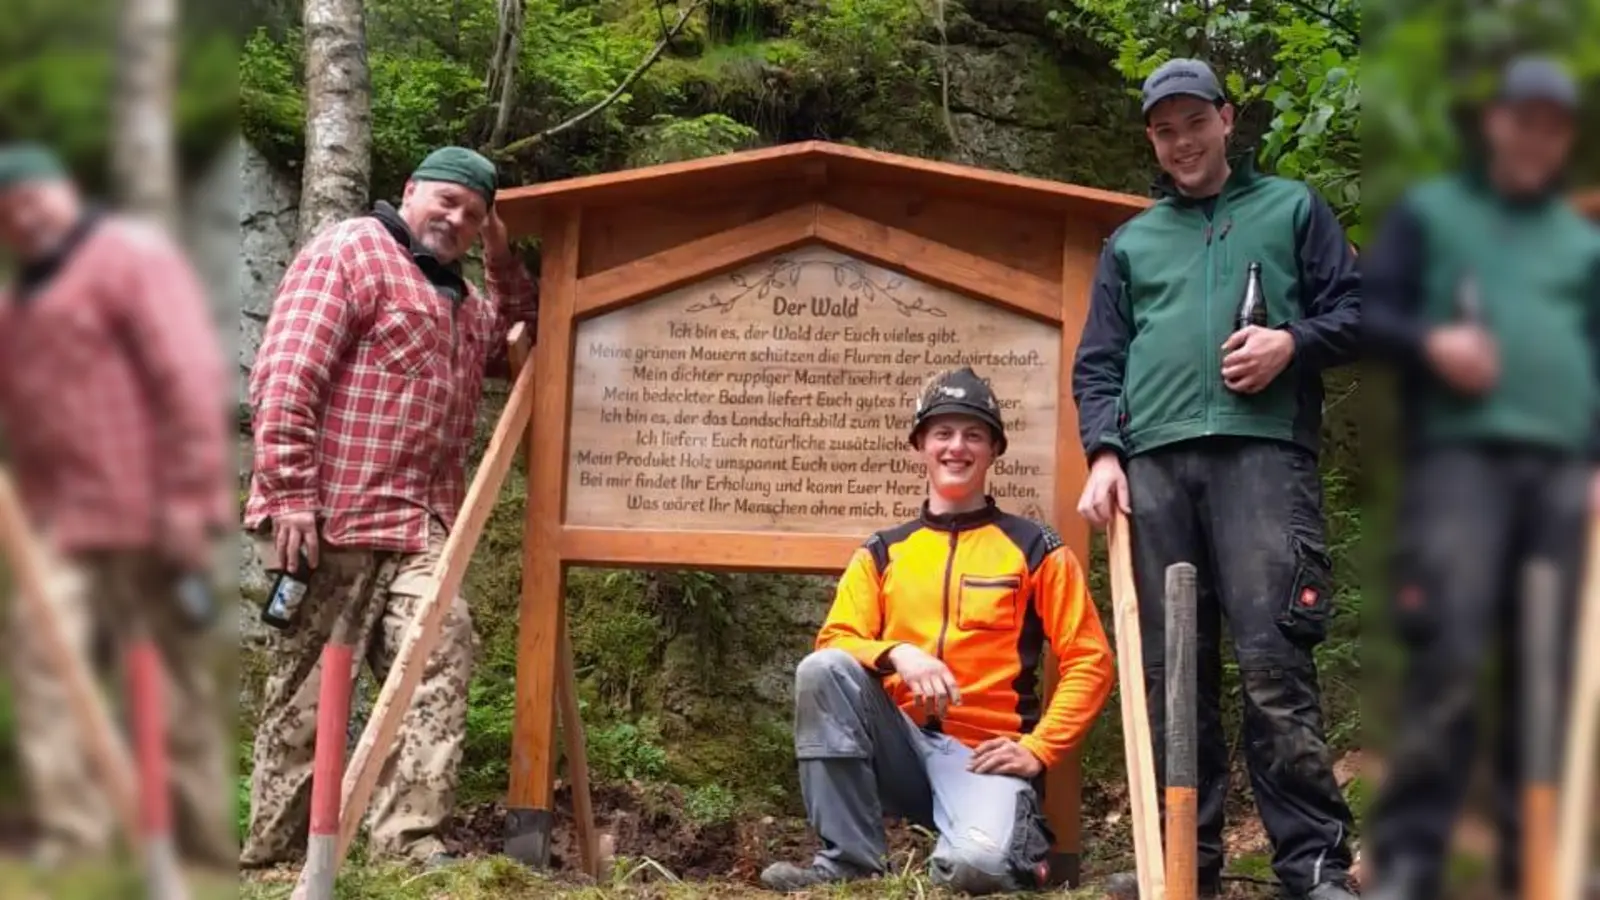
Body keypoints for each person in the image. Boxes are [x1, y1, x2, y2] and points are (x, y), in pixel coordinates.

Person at [1072, 59, 1362, 899]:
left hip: (1264, 459)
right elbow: (1098, 366)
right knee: (1172, 675)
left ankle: (1311, 868)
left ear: (1226, 121)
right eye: (1164, 130)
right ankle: (1179, 869)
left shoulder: (1291, 208)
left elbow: (1362, 311)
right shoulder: (1130, 243)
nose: (1182, 141)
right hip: (1154, 470)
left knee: (1275, 664)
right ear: (1152, 143)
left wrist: (1291, 343)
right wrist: (1103, 451)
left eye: (1194, 122)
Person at [240, 146, 538, 868]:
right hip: (330, 519)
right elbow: (286, 372)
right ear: (409, 192)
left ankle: (405, 842)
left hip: (420, 528)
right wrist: (289, 496)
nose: (456, 218)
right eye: (446, 201)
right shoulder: (350, 251)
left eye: (472, 213)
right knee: (308, 697)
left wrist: (500, 254)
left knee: (443, 650)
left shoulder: (464, 302)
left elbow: (525, 330)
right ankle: (277, 858)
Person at [1360, 57, 1600, 900]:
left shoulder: (1583, 241)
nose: (1535, 136)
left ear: (1562, 137)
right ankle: (1410, 864)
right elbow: (1370, 310)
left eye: (1552, 124)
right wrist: (1434, 344)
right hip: (1459, 465)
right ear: (1496, 122)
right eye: (1522, 118)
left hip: (1569, 476)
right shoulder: (1434, 213)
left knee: (1563, 668)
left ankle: (1547, 859)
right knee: (1451, 657)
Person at [759, 366, 1116, 894]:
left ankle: (995, 848)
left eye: (974, 434)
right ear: (921, 445)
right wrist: (899, 652)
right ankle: (851, 861)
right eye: (943, 433)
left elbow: (1090, 659)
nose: (957, 447)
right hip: (897, 746)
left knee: (977, 872)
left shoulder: (1037, 548)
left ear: (994, 450)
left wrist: (1040, 748)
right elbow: (834, 642)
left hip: (983, 756)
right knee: (822, 671)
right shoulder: (882, 552)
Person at [0, 142, 234, 869]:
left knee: (168, 683)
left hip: (147, 510)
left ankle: (201, 839)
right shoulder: (17, 301)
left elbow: (189, 372)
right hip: (58, 522)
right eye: (9, 213)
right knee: (44, 663)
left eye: (33, 199)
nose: (25, 218)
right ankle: (77, 837)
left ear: (65, 190)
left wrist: (193, 496)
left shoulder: (129, 257)